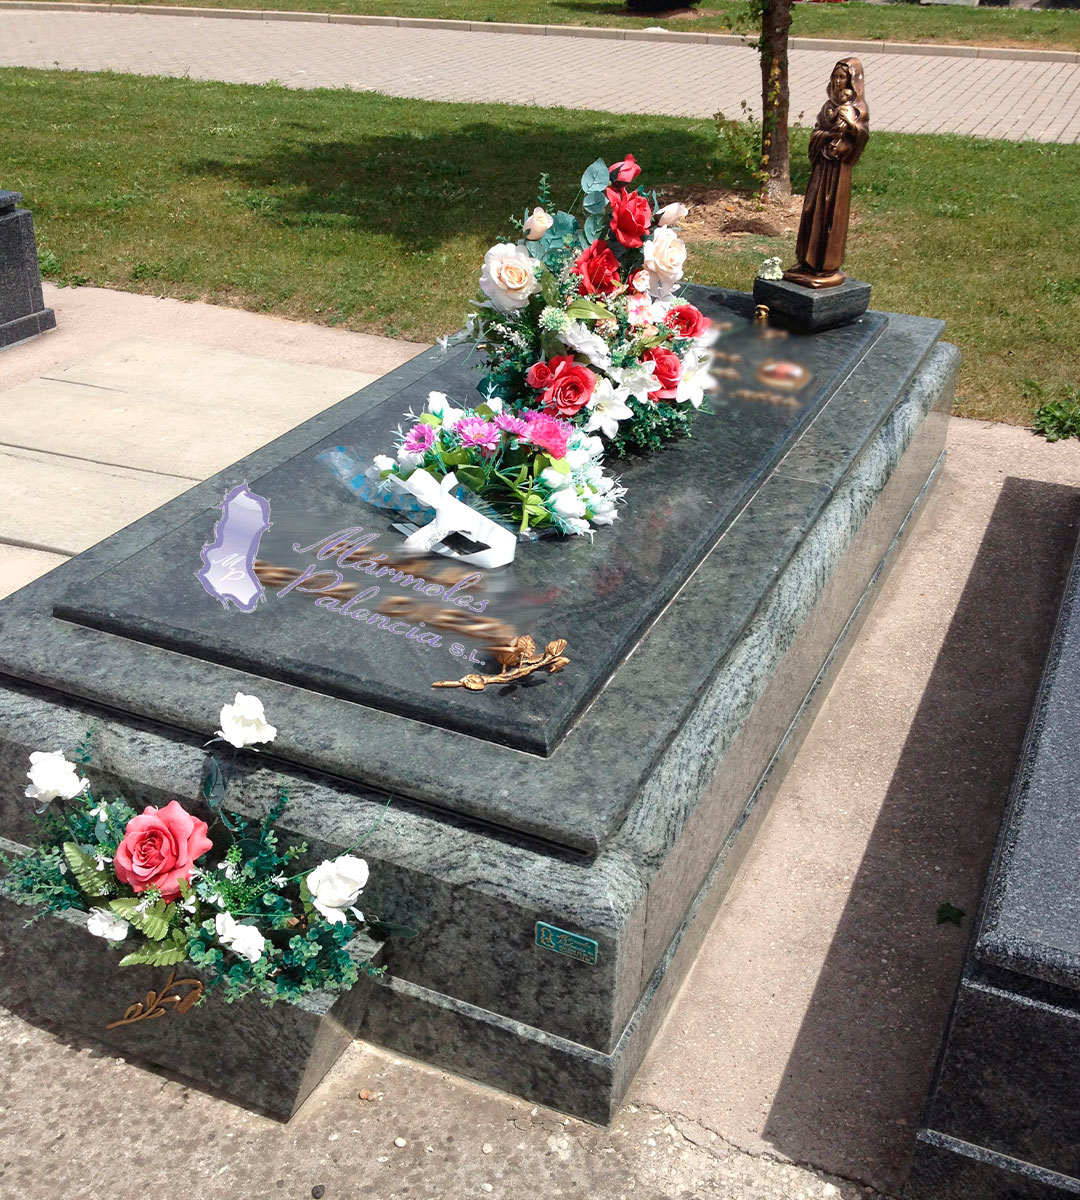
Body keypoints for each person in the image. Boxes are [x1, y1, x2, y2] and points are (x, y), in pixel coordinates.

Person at [784, 58, 870, 289]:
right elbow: (817, 132)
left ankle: (826, 266)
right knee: (812, 209)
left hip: (838, 171)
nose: (838, 81)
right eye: (835, 77)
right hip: (822, 166)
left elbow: (861, 135)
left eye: (842, 77)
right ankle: (807, 262)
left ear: (851, 81)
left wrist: (851, 125)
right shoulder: (828, 106)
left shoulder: (857, 109)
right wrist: (825, 137)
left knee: (831, 215)